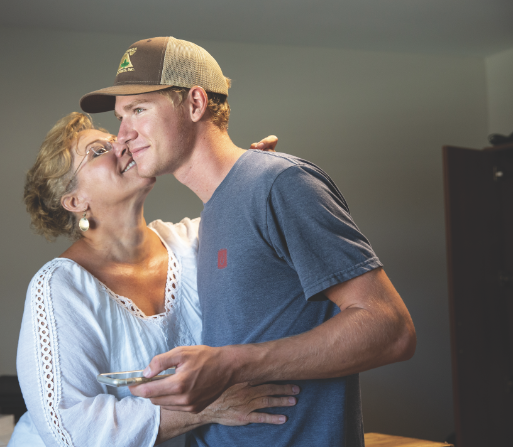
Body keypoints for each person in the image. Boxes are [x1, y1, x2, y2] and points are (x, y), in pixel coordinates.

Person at [79, 36, 417, 446]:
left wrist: (230, 364)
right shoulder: (219, 209)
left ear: (195, 103)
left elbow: (391, 328)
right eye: (119, 117)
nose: (122, 135)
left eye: (138, 110)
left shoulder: (280, 184)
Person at [8, 112, 291, 447]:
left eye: (117, 139)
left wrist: (254, 181)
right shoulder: (59, 287)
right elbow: (70, 428)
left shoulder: (193, 242)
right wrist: (204, 409)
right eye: (99, 151)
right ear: (75, 201)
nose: (123, 144)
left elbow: (249, 223)